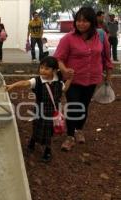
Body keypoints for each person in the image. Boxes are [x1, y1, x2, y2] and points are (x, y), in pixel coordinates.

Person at [53, 7, 113, 151]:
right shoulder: (68, 38)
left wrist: (108, 76)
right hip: (72, 80)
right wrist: (64, 69)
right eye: (78, 21)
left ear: (92, 22)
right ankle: (70, 136)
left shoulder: (101, 36)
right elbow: (58, 58)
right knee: (74, 106)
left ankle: (78, 130)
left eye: (85, 21)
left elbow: (106, 57)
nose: (81, 24)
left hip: (92, 78)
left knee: (84, 106)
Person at [6, 56, 72, 162]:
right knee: (37, 126)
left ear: (54, 70)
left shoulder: (59, 82)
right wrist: (12, 86)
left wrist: (70, 79)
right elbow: (25, 83)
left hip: (52, 112)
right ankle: (33, 140)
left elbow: (64, 89)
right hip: (39, 110)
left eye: (46, 68)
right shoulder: (37, 81)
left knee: (48, 131)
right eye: (41, 68)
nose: (42, 71)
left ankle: (47, 150)